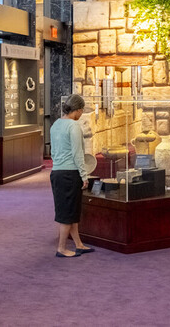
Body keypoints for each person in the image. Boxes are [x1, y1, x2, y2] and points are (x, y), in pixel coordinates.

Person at [49, 94, 93, 258]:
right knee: (67, 213)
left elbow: (53, 151)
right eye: (81, 111)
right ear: (78, 110)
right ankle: (61, 248)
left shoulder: (55, 125)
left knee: (71, 211)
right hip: (70, 173)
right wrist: (84, 175)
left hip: (57, 173)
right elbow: (78, 153)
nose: (81, 115)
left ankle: (78, 244)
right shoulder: (73, 126)